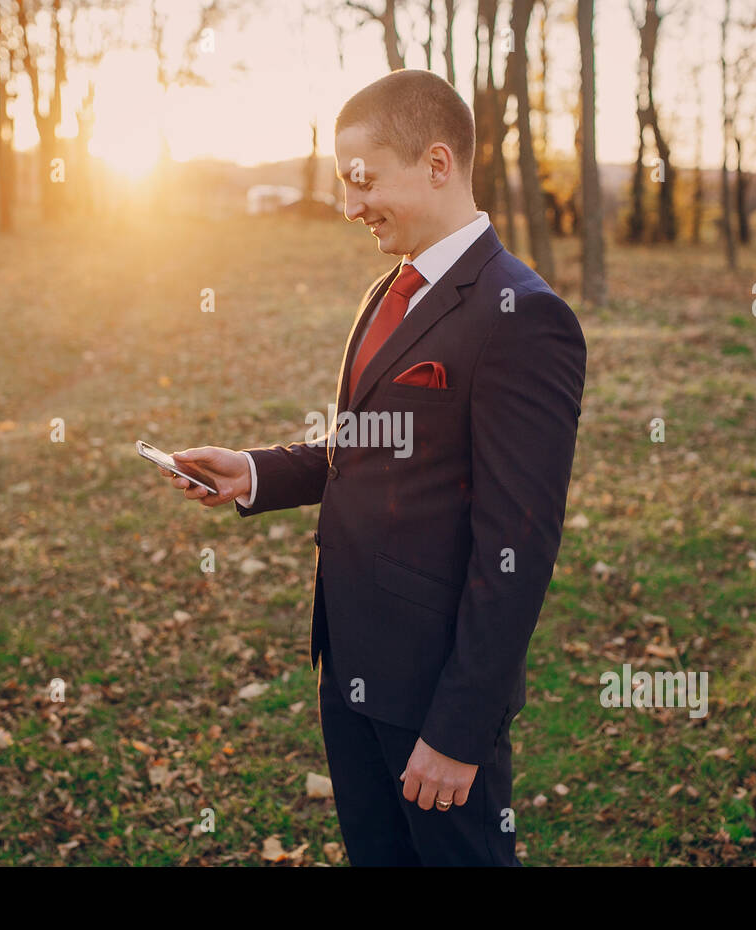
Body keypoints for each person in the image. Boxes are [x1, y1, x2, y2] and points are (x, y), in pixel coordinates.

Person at [159, 69, 586, 866]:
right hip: (348, 660)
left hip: (434, 690)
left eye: (362, 182)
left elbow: (519, 549)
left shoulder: (523, 317)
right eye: (342, 185)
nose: (350, 208)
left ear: (436, 164)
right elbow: (368, 452)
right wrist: (252, 472)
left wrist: (458, 731)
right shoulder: (386, 290)